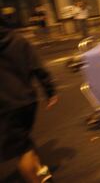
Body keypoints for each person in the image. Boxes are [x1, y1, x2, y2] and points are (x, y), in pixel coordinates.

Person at [0, 11, 58, 183]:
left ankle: (36, 179)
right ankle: (41, 173)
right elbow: (37, 67)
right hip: (27, 100)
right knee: (24, 139)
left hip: (5, 105)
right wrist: (50, 91)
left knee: (21, 149)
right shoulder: (18, 39)